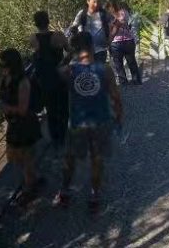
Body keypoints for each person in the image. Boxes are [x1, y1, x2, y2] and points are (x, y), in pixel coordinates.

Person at [52, 32, 123, 212]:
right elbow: (115, 97)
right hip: (101, 121)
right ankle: (94, 195)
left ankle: (64, 192)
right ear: (92, 46)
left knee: (70, 159)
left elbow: (57, 70)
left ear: (76, 49)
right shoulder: (105, 69)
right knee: (96, 159)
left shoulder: (69, 70)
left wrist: (69, 54)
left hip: (77, 122)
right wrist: (119, 116)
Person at [0, 48, 41, 205]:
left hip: (25, 124)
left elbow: (23, 109)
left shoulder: (23, 82)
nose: (1, 66)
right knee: (16, 158)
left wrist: (5, 108)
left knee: (25, 158)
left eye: (3, 64)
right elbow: (1, 96)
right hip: (13, 125)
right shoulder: (5, 78)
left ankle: (30, 189)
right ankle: (32, 180)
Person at [30, 11, 69, 150]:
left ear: (36, 23)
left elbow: (36, 56)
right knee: (63, 107)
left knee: (51, 110)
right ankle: (63, 136)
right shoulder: (58, 35)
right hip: (60, 75)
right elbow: (70, 50)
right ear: (48, 20)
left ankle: (56, 140)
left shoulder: (33, 38)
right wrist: (63, 62)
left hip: (44, 79)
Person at [68, 0, 112, 64]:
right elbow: (74, 26)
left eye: (98, 2)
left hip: (101, 49)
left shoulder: (104, 13)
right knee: (88, 72)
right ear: (88, 2)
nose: (96, 4)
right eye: (94, 2)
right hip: (85, 50)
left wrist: (110, 39)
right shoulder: (82, 13)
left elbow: (113, 24)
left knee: (99, 71)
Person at [108, 0, 141, 85]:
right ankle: (124, 81)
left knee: (130, 62)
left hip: (125, 40)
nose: (110, 9)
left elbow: (121, 22)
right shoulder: (109, 16)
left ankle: (134, 80)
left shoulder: (122, 12)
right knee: (119, 64)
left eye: (110, 7)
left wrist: (113, 25)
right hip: (118, 42)